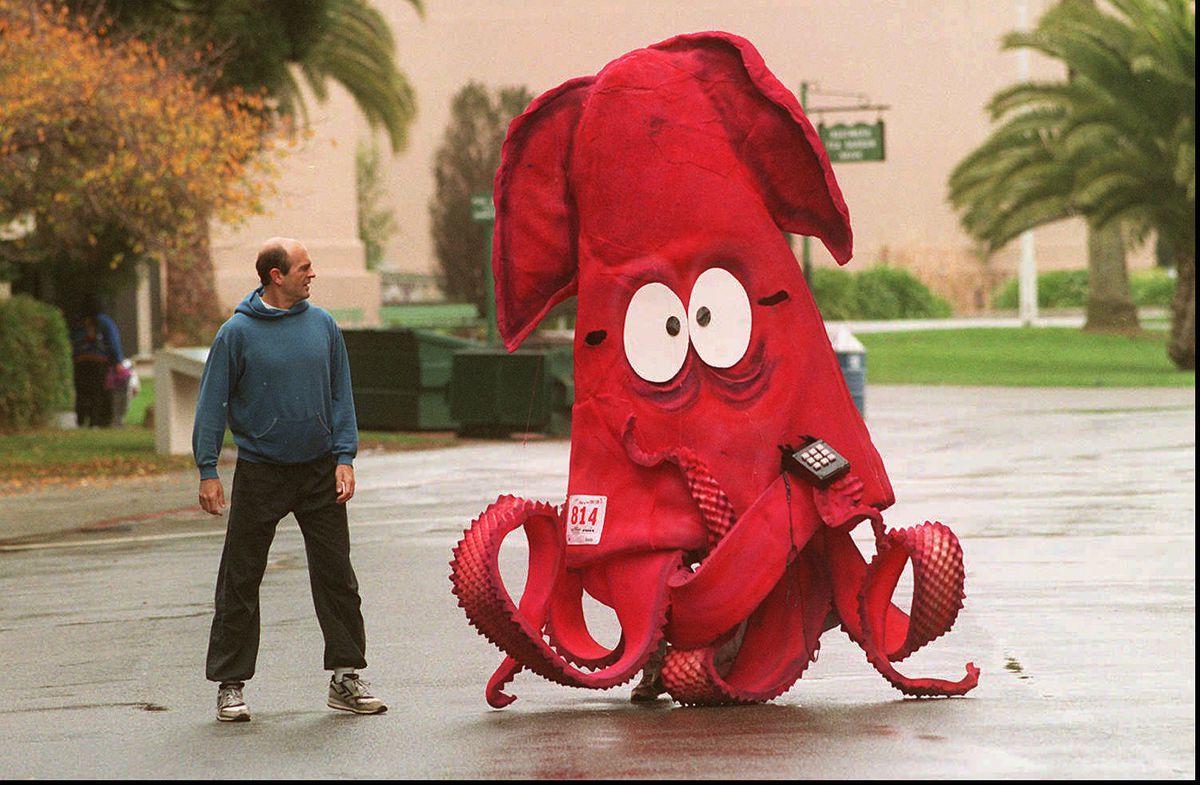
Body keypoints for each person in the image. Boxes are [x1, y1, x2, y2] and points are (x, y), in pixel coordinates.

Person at [192, 237, 386, 723]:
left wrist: (345, 456)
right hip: (261, 470)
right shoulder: (235, 333)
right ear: (275, 275)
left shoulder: (323, 325)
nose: (311, 275)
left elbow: (342, 394)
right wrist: (208, 469)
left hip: (320, 468)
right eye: (304, 268)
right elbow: (212, 402)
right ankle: (230, 685)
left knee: (337, 575)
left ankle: (345, 677)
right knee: (240, 577)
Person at [69, 297, 124, 428]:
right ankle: (96, 421)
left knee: (82, 391)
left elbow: (71, 340)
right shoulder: (105, 322)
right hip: (99, 361)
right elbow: (113, 341)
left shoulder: (78, 322)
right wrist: (118, 360)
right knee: (98, 392)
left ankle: (81, 419)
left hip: (81, 361)